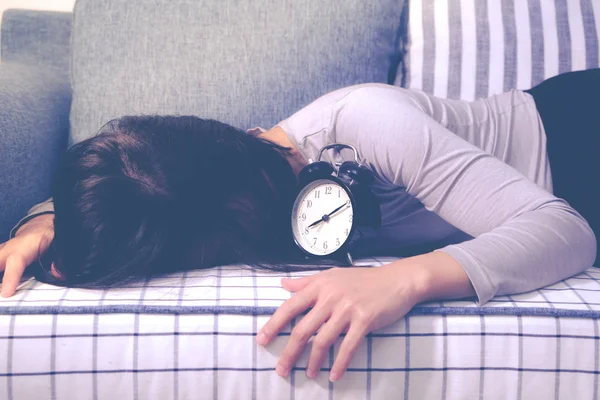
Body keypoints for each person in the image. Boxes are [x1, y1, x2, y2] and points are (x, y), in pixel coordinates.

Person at [0, 69, 598, 382]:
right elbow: (130, 181)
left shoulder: (365, 124)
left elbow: (563, 229)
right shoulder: (218, 184)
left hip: (576, 150)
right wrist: (48, 222)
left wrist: (404, 280)